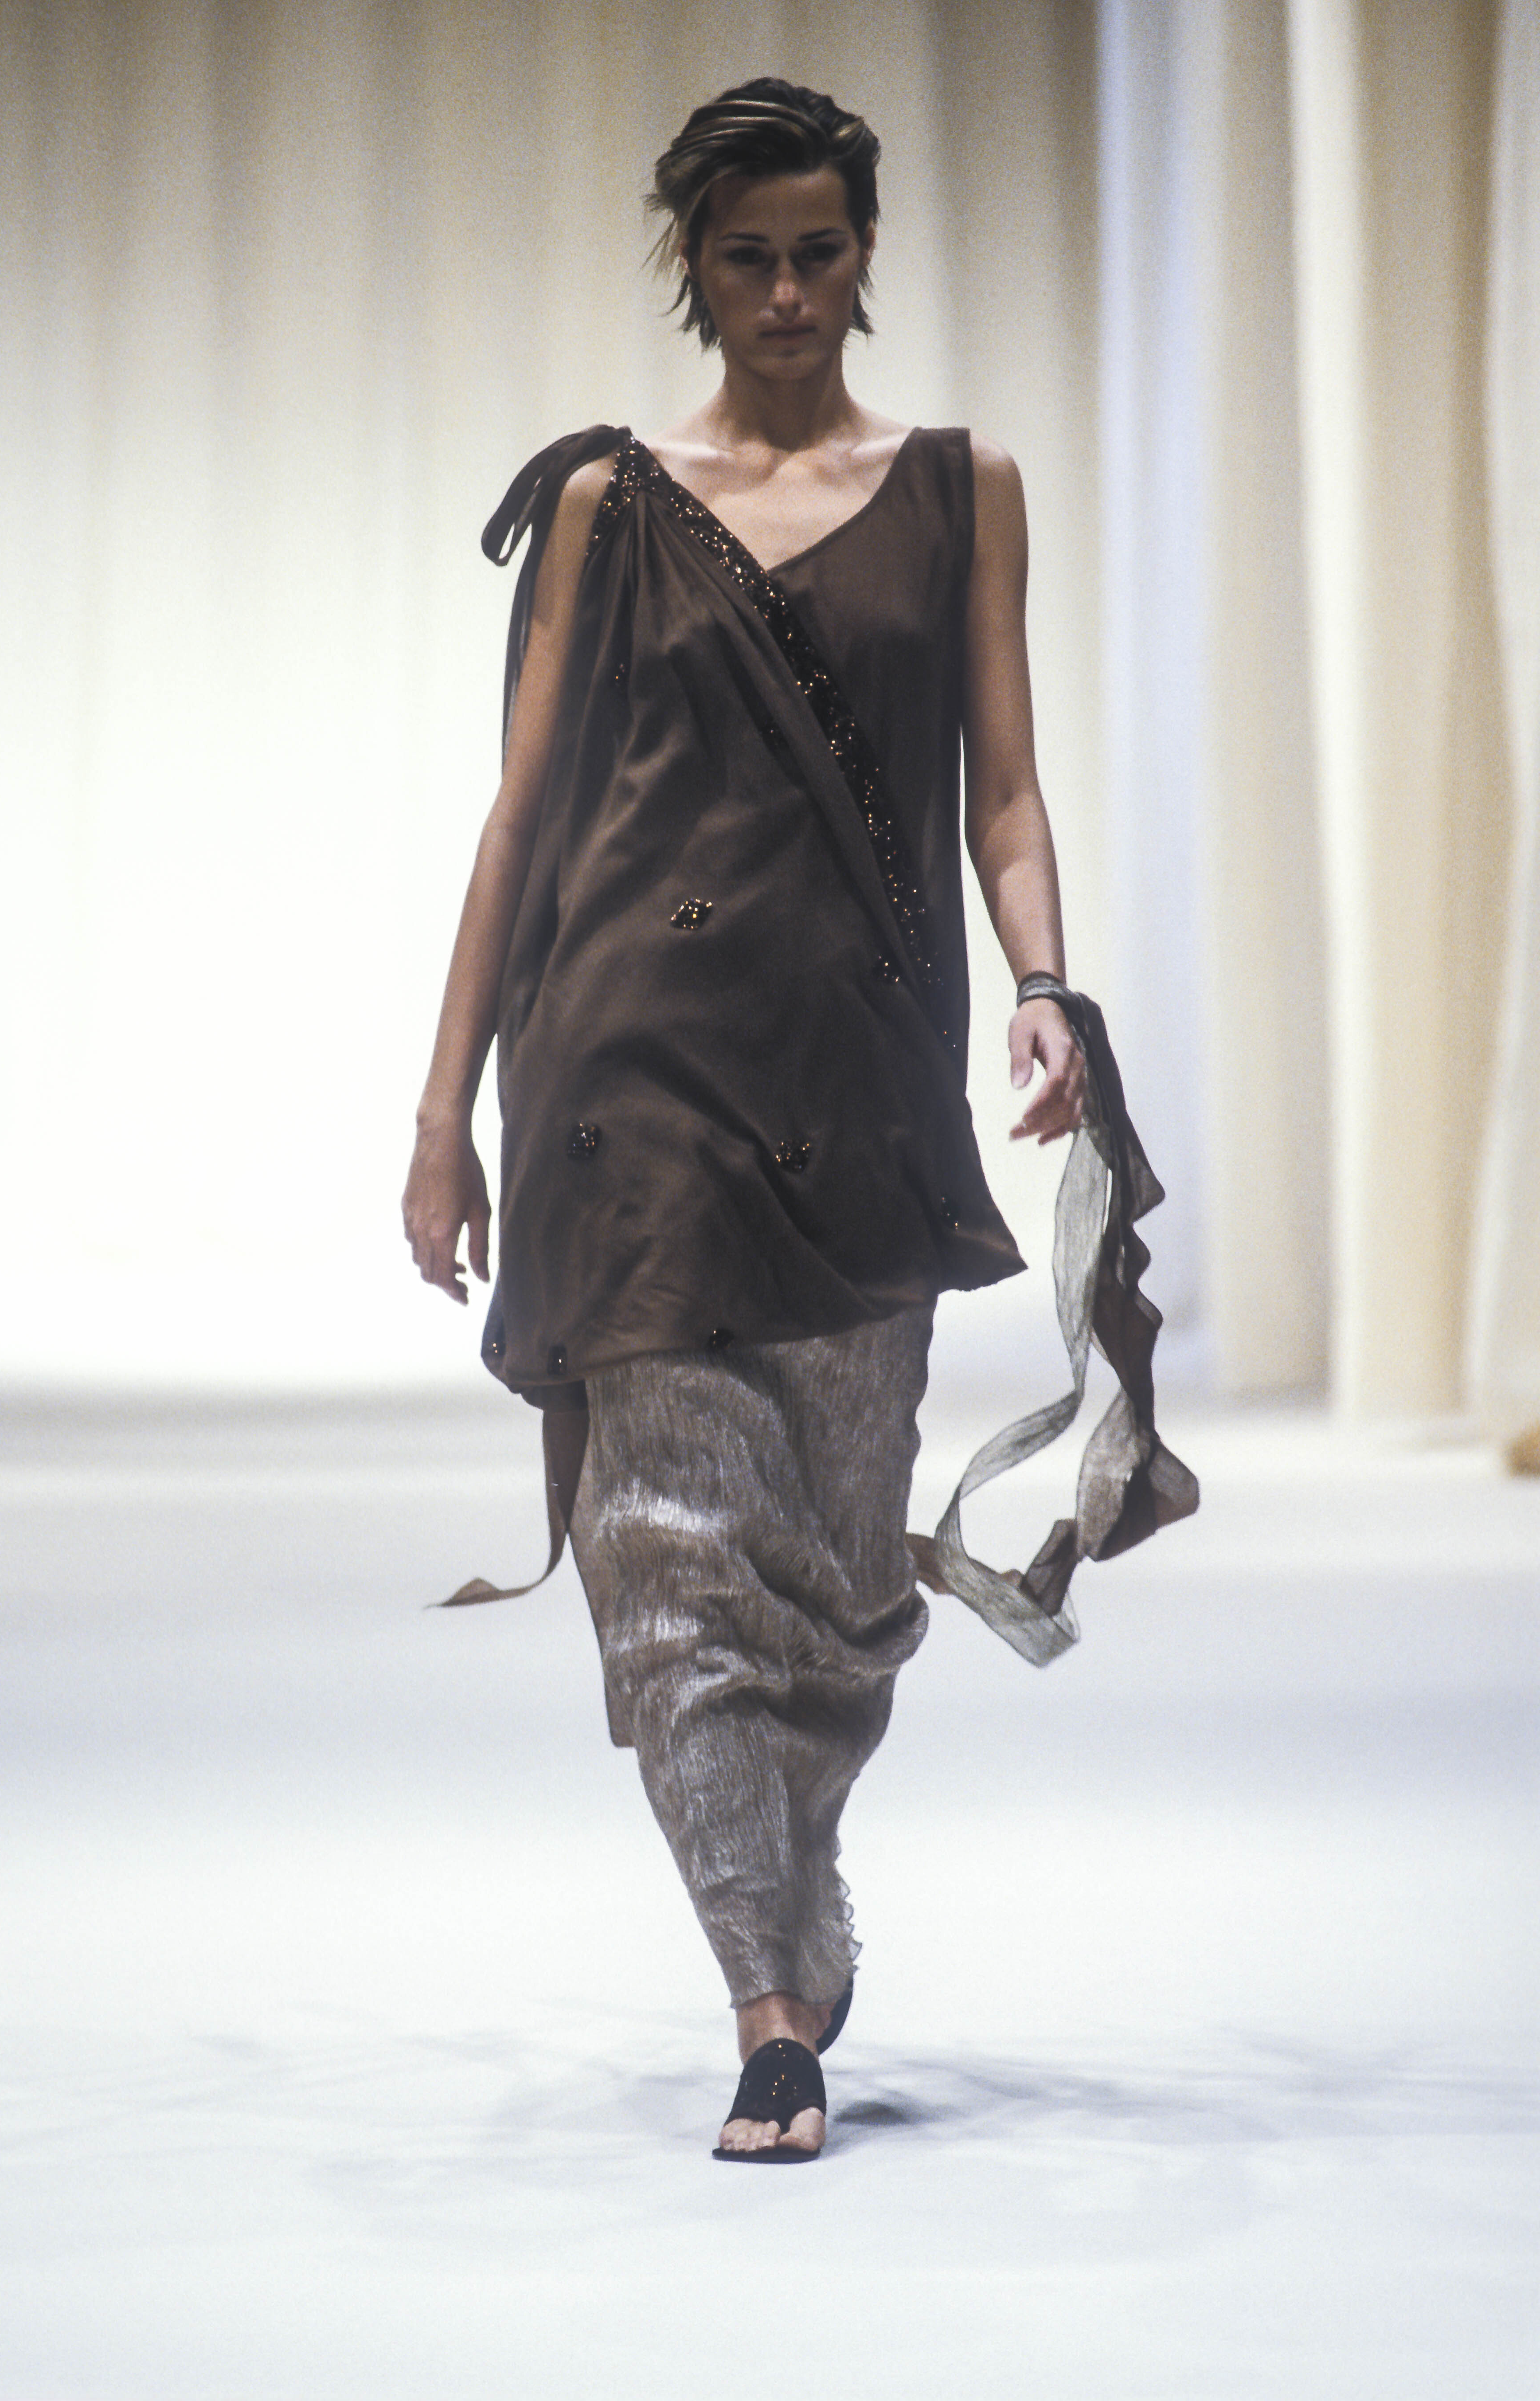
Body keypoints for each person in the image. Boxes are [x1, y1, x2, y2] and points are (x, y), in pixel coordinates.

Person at [402, 79, 1190, 2163]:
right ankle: (766, 2002)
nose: (781, 293)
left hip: (859, 1076)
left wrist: (1043, 989)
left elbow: (999, 788)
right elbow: (521, 818)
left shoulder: (957, 486)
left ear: (862, 255)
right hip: (628, 1076)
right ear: (693, 267)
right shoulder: (605, 503)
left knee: (841, 1577)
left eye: (814, 253)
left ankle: (791, 1880)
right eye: (744, 257)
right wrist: (442, 1107)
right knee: (668, 1556)